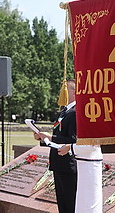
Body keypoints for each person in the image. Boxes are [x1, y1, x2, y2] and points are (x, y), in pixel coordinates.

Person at [33, 79, 77, 213]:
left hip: (68, 164)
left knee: (70, 204)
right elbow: (58, 135)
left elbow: (73, 139)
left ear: (74, 92)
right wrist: (42, 138)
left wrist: (51, 137)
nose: (61, 94)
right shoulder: (64, 112)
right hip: (59, 163)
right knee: (62, 204)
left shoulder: (75, 112)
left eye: (65, 90)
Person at [58, 144, 103, 213]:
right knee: (82, 200)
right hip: (84, 163)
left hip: (91, 164)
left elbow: (92, 145)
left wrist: (70, 147)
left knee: (90, 200)